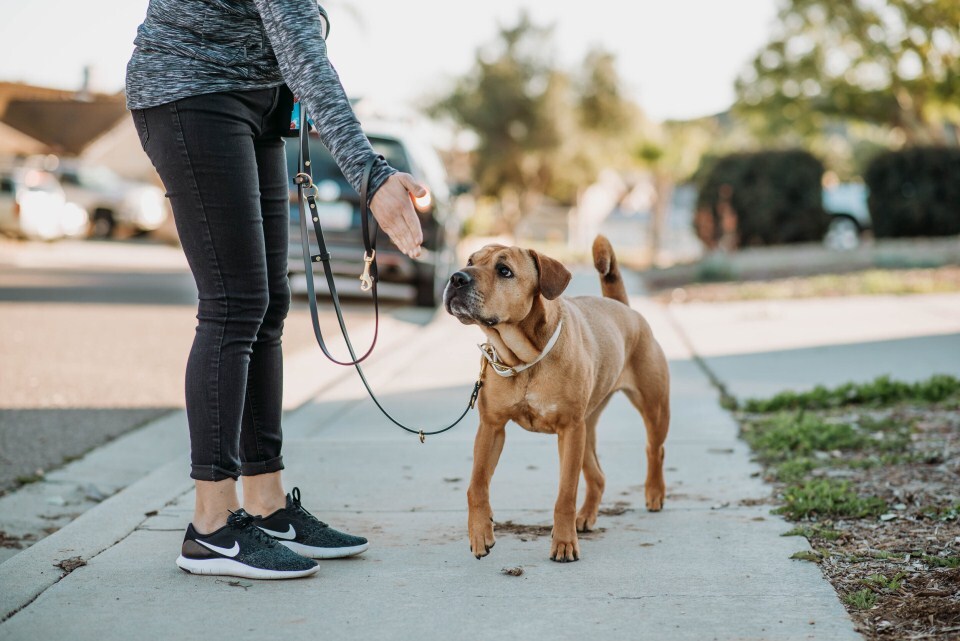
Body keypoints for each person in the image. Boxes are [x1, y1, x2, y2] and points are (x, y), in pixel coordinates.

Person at [126, 0, 426, 580]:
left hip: (257, 105)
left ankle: (265, 505)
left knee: (269, 304)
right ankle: (210, 526)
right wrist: (368, 171)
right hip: (192, 93)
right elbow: (304, 54)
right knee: (234, 304)